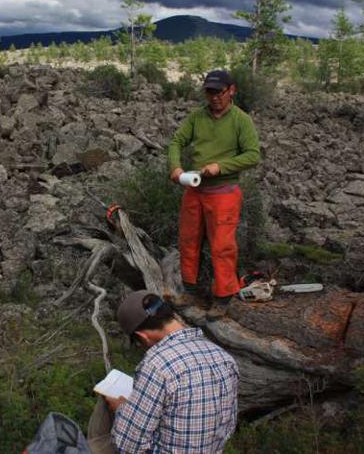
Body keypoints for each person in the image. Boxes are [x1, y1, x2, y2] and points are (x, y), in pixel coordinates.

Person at [87, 290, 239, 454]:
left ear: (143, 337)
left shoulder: (157, 364)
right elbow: (228, 427)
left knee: (104, 418)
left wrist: (121, 408)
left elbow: (129, 445)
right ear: (170, 314)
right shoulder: (224, 358)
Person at [167, 69, 261, 317]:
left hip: (224, 193)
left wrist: (220, 167)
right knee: (188, 240)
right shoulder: (197, 117)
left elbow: (253, 155)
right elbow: (176, 141)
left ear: (231, 90)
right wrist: (175, 167)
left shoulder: (241, 120)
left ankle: (222, 297)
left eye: (219, 92)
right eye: (209, 92)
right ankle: (190, 290)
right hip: (194, 190)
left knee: (222, 246)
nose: (214, 97)